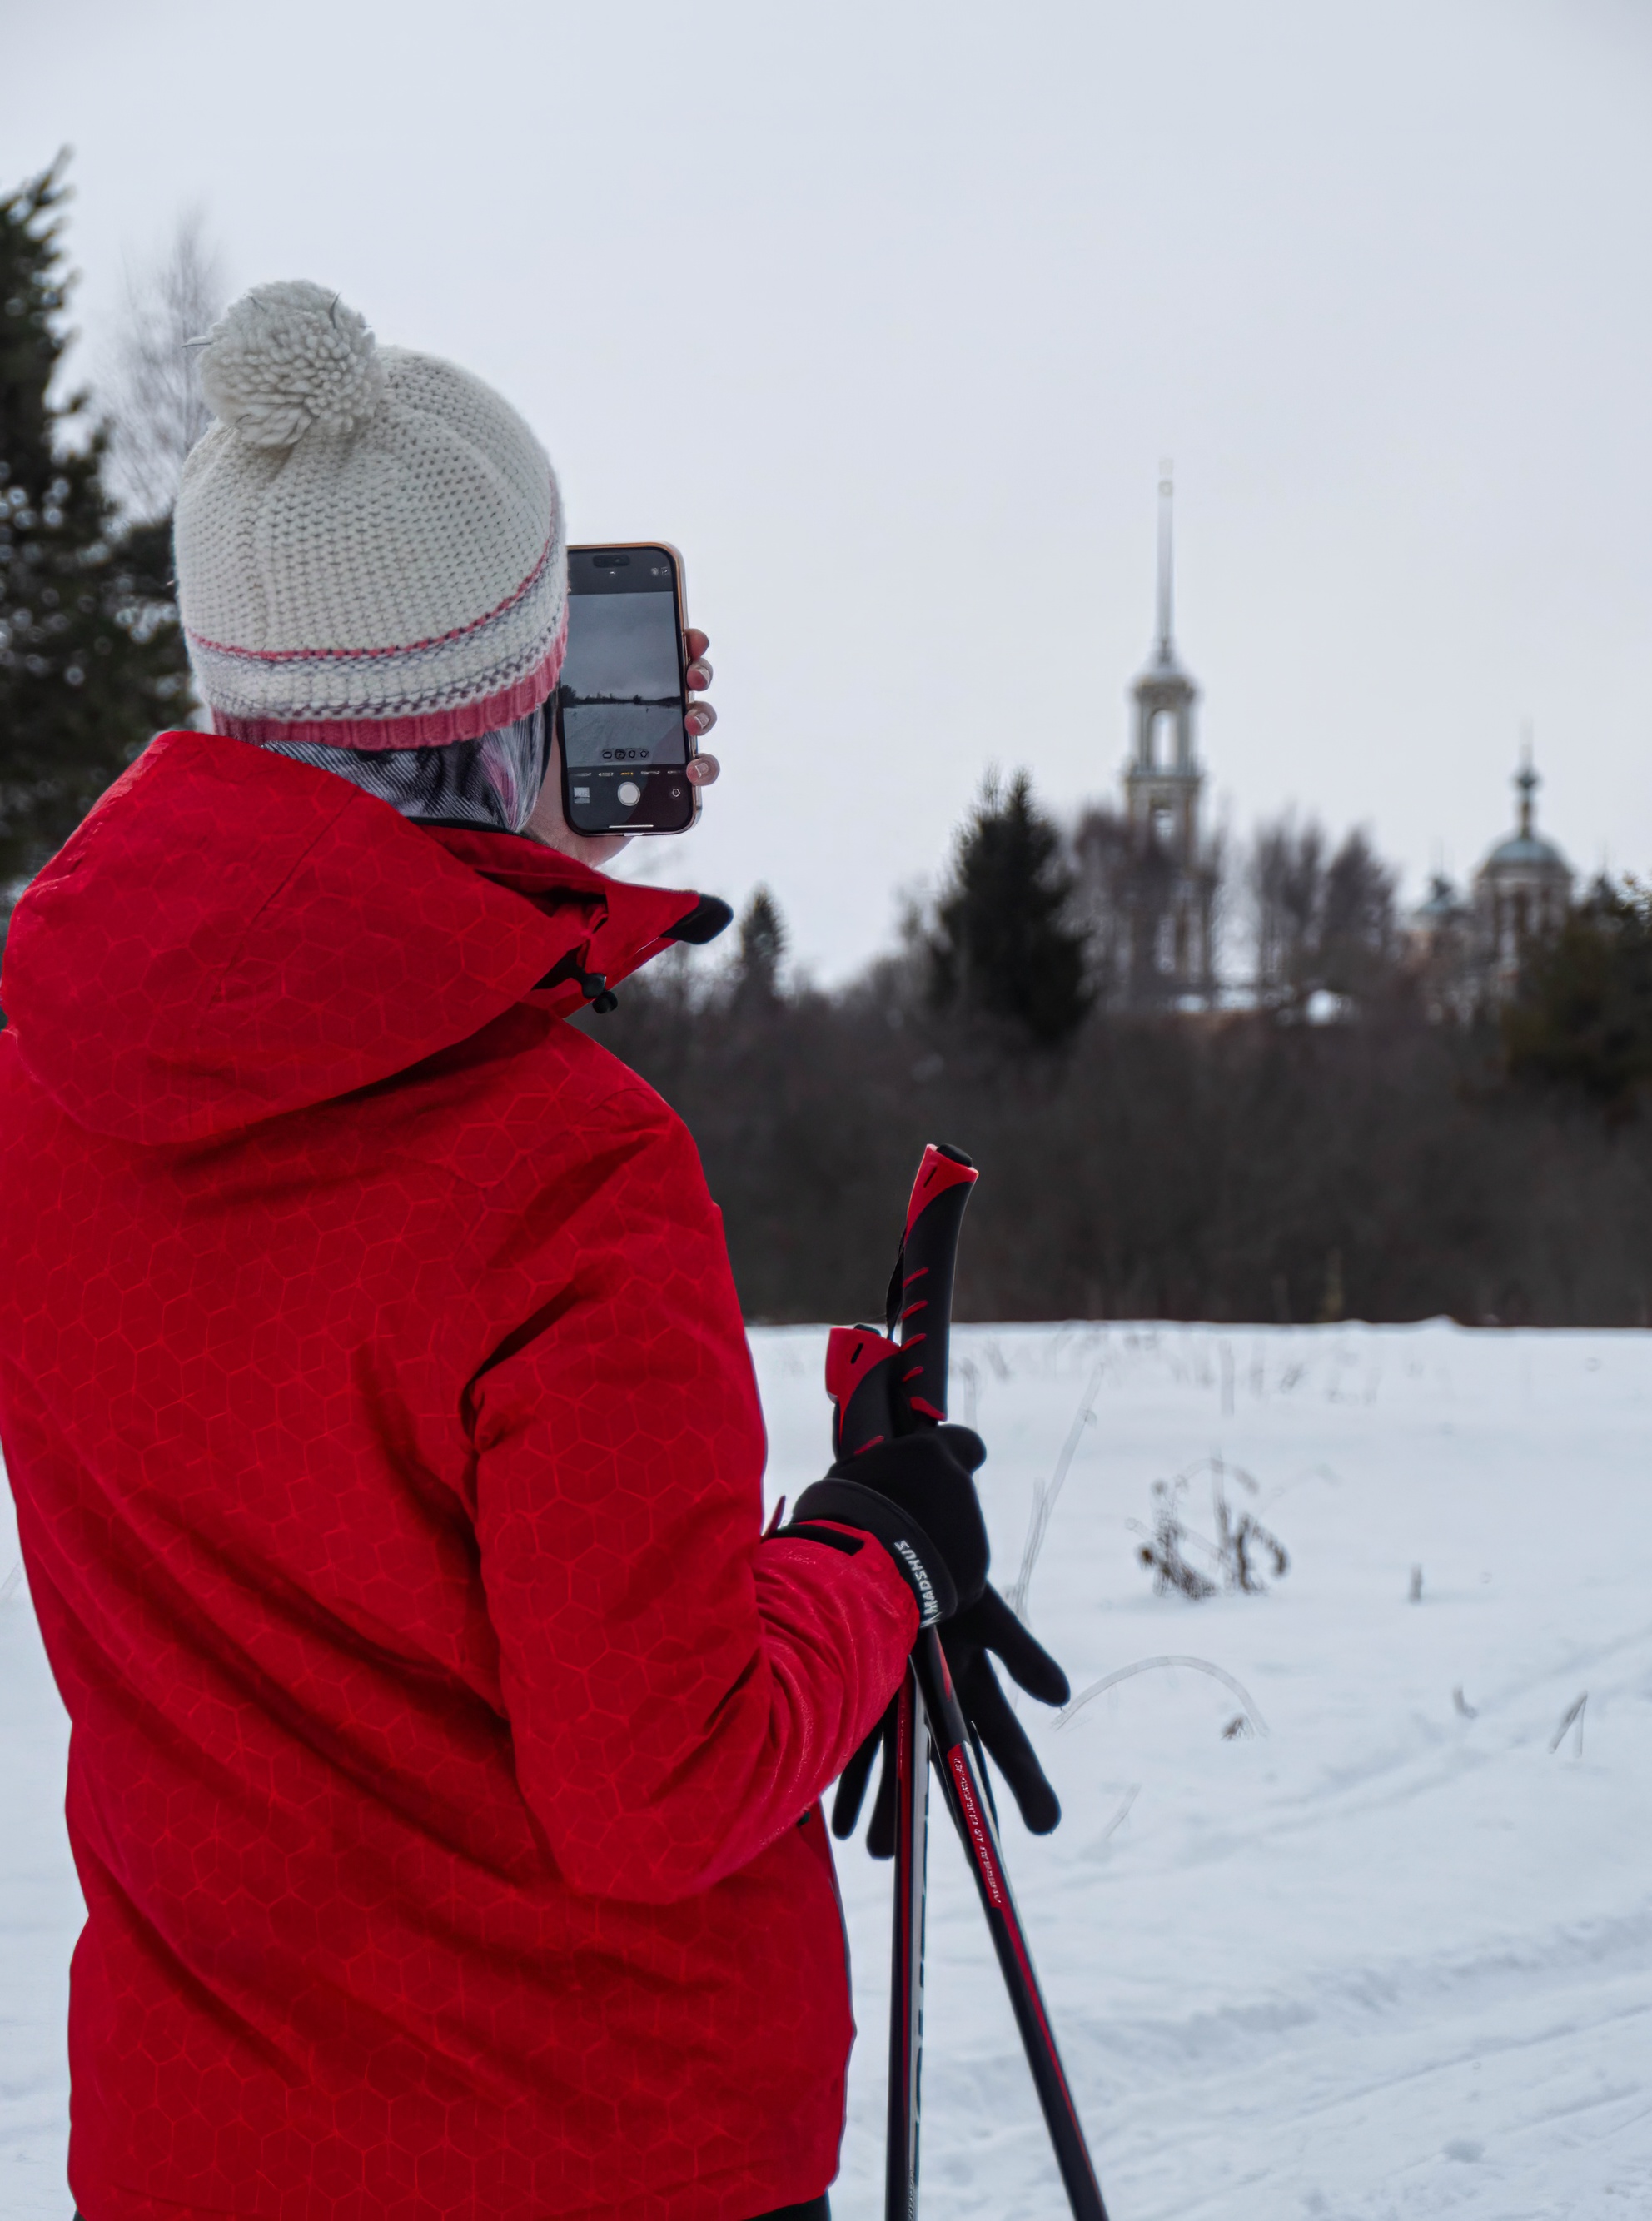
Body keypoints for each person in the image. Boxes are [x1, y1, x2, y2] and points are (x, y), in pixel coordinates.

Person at [0, 281, 1067, 2221]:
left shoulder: (40, 1093)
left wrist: (509, 850)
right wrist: (878, 1555)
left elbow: (302, 987)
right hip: (595, 2147)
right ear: (529, 686)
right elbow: (661, 1781)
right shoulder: (567, 1172)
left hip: (201, 2148)